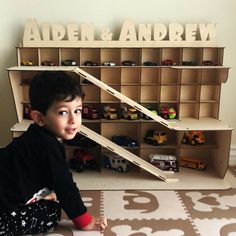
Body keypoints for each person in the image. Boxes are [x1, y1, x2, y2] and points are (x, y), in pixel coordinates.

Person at [0, 71, 107, 235]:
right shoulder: (48, 146)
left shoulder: (35, 136)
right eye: (63, 112)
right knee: (52, 212)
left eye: (78, 110)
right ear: (39, 118)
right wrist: (85, 221)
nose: (73, 119)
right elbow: (65, 185)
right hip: (4, 209)